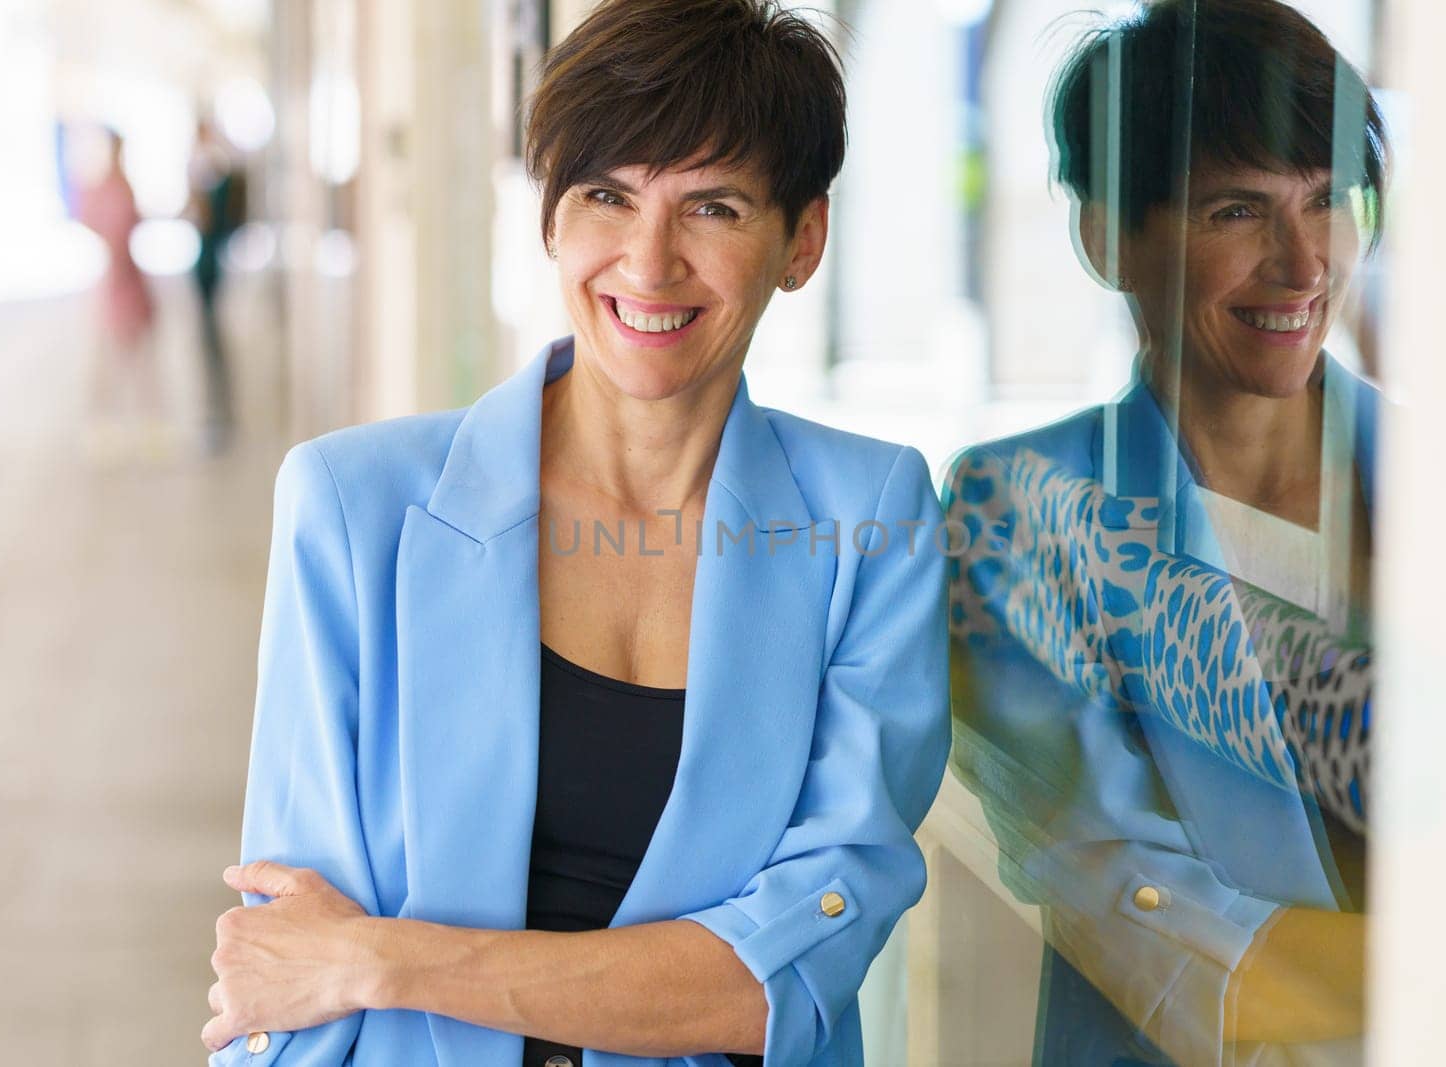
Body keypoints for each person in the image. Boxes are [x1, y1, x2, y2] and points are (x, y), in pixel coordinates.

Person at [203, 2, 950, 1065]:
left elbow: (778, 981)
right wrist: (329, 964)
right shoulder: (352, 504)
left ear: (802, 241)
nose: (649, 263)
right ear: (551, 217)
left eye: (715, 208)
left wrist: (384, 960)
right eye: (607, 195)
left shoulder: (869, 520)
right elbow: (286, 971)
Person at [943, 1, 1386, 1063]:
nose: (1300, 262)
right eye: (1236, 210)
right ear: (1108, 238)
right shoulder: (1017, 509)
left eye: (1329, 202)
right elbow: (1137, 911)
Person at [73, 126, 162, 442]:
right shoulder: (109, 188)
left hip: (125, 282)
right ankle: (107, 428)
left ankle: (141, 427)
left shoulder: (117, 187)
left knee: (135, 363)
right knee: (114, 362)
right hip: (118, 282)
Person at [187, 117, 245, 451]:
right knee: (210, 343)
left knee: (212, 344)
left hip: (209, 269)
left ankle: (219, 416)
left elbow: (204, 218)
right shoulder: (213, 176)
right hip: (208, 267)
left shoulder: (212, 178)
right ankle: (218, 413)